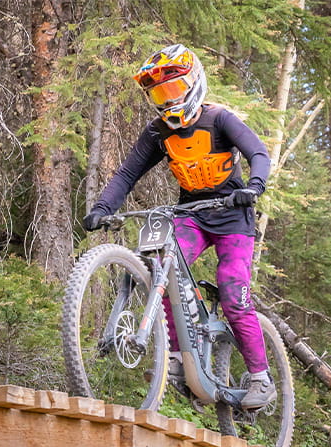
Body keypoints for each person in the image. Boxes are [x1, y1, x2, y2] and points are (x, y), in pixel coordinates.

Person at [83, 43, 276, 409]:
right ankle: (174, 356)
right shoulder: (158, 132)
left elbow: (258, 153)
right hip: (193, 215)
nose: (167, 99)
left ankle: (260, 378)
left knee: (234, 294)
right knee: (162, 268)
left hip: (233, 217)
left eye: (173, 89)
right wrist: (102, 207)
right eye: (159, 93)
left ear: (194, 83)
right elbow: (127, 173)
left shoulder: (219, 118)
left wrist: (253, 188)